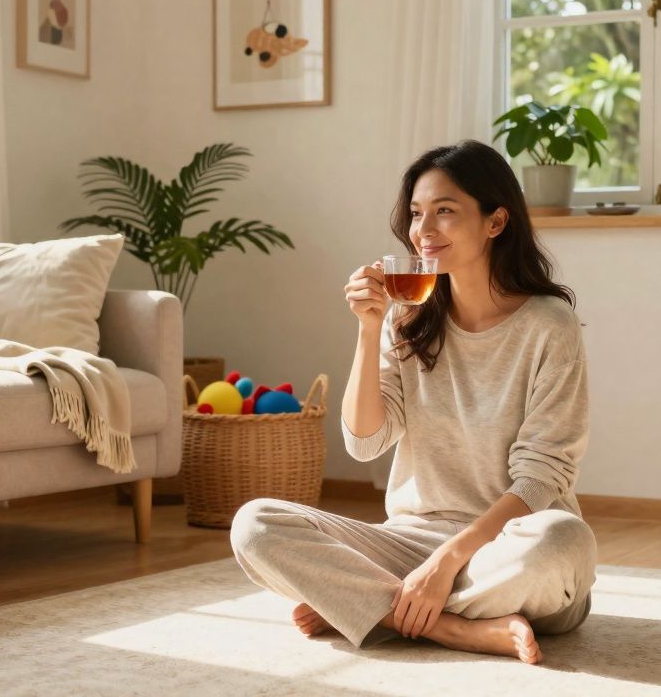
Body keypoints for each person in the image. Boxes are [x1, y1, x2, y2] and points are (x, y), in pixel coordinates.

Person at [230, 139, 595, 665]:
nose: (423, 230)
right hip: (408, 543)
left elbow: (541, 478)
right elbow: (364, 442)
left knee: (564, 541)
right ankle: (454, 628)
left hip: (510, 546)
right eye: (418, 214)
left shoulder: (548, 325)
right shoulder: (406, 319)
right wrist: (368, 327)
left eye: (445, 212)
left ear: (495, 222)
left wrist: (446, 561)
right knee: (255, 523)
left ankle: (371, 606)